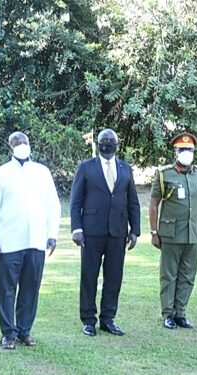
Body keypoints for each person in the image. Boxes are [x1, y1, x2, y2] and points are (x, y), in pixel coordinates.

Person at [0, 131, 60, 350]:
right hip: (8, 242)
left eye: (24, 141)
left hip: (36, 240)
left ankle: (24, 330)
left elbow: (53, 205)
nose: (21, 145)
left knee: (30, 287)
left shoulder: (42, 172)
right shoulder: (1, 174)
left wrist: (52, 234)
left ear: (29, 144)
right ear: (10, 147)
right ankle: (8, 333)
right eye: (16, 143)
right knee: (6, 289)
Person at [70, 128, 140, 337]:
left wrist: (135, 229)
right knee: (89, 276)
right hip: (91, 231)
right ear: (98, 144)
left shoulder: (125, 168)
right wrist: (76, 228)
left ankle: (108, 319)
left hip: (118, 231)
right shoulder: (85, 167)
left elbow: (133, 201)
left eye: (111, 141)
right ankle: (89, 320)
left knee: (114, 277)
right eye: (103, 140)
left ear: (117, 144)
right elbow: (76, 201)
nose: (107, 143)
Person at [149, 133, 197, 329]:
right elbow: (154, 203)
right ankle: (168, 314)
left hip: (192, 233)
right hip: (170, 233)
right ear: (175, 152)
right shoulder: (164, 174)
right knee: (169, 275)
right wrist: (154, 232)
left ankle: (181, 312)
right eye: (182, 150)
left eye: (189, 150)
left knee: (188, 275)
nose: (186, 153)